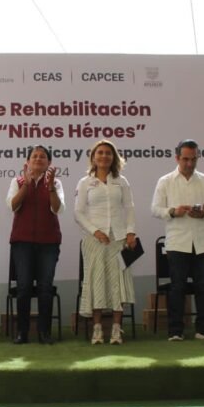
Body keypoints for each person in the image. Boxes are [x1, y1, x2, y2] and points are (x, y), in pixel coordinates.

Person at [151, 139, 204, 342]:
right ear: (177, 158)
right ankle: (175, 330)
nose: (190, 163)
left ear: (198, 157)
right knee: (177, 287)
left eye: (193, 159)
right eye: (185, 159)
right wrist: (173, 211)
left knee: (203, 287)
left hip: (202, 242)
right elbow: (155, 209)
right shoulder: (165, 181)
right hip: (177, 242)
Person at [75, 140, 136, 345]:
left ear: (114, 158)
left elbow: (129, 208)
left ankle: (117, 330)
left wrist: (130, 232)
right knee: (96, 282)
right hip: (95, 240)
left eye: (108, 153)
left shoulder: (122, 181)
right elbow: (78, 213)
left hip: (119, 239)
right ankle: (97, 329)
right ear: (93, 157)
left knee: (118, 283)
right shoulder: (85, 182)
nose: (104, 156)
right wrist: (95, 231)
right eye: (100, 153)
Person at [7, 145, 64, 345]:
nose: (38, 159)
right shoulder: (17, 181)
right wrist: (27, 184)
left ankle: (44, 332)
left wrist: (50, 187)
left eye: (42, 157)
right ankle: (22, 332)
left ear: (49, 163)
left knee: (45, 288)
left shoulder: (56, 183)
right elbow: (13, 205)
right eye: (34, 156)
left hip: (48, 244)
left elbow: (57, 209)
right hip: (22, 243)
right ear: (28, 162)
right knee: (23, 287)